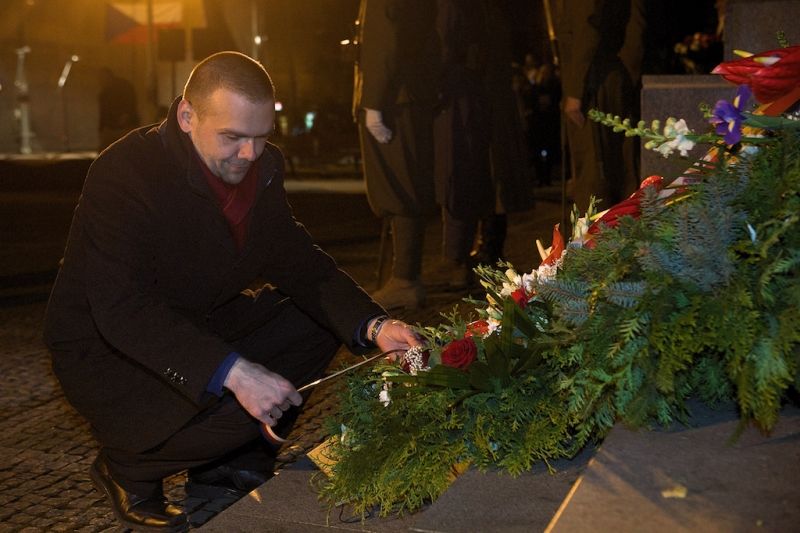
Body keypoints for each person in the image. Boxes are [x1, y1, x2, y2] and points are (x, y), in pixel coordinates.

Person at [43, 51, 420, 532]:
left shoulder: (262, 168)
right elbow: (123, 309)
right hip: (107, 350)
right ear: (186, 116)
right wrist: (236, 373)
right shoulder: (126, 173)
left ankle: (226, 464)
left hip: (199, 321)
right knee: (249, 400)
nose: (250, 154)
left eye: (262, 137)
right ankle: (130, 467)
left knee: (322, 318)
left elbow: (298, 260)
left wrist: (375, 325)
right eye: (233, 137)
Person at [354, 0, 441, 310]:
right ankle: (403, 276)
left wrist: (374, 101)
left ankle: (405, 279)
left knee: (399, 186)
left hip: (394, 98)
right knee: (403, 183)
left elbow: (385, 39)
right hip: (405, 94)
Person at [556, 0, 643, 214]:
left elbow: (586, 28)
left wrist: (576, 90)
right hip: (609, 74)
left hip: (593, 81)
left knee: (594, 175)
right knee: (617, 169)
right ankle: (620, 238)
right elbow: (636, 26)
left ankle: (596, 244)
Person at [97, 67, 140, 151]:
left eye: (102, 78)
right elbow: (103, 113)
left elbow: (129, 103)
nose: (100, 81)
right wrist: (102, 128)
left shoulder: (123, 87)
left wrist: (126, 116)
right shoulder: (103, 94)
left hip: (124, 128)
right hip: (113, 128)